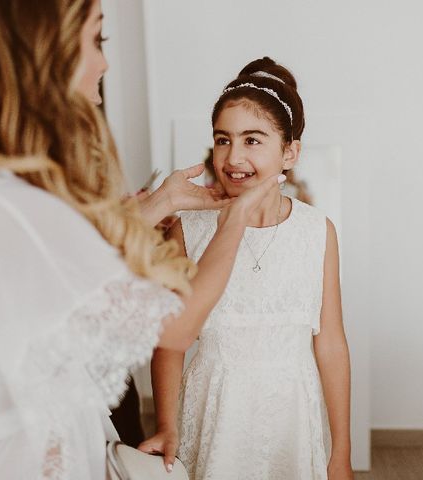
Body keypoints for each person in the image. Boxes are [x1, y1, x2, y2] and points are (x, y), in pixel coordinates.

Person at [0, 2, 284, 479]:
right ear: (41, 49)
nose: (105, 63)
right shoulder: (2, 202)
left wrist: (159, 202)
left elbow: (65, 268)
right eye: (97, 40)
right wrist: (237, 215)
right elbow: (174, 329)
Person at [140, 57, 354, 480]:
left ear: (289, 151)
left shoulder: (317, 231)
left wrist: (341, 451)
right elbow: (170, 343)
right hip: (215, 412)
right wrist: (166, 424)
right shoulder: (190, 228)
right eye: (223, 139)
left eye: (252, 140)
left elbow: (330, 343)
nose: (233, 156)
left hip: (292, 415)